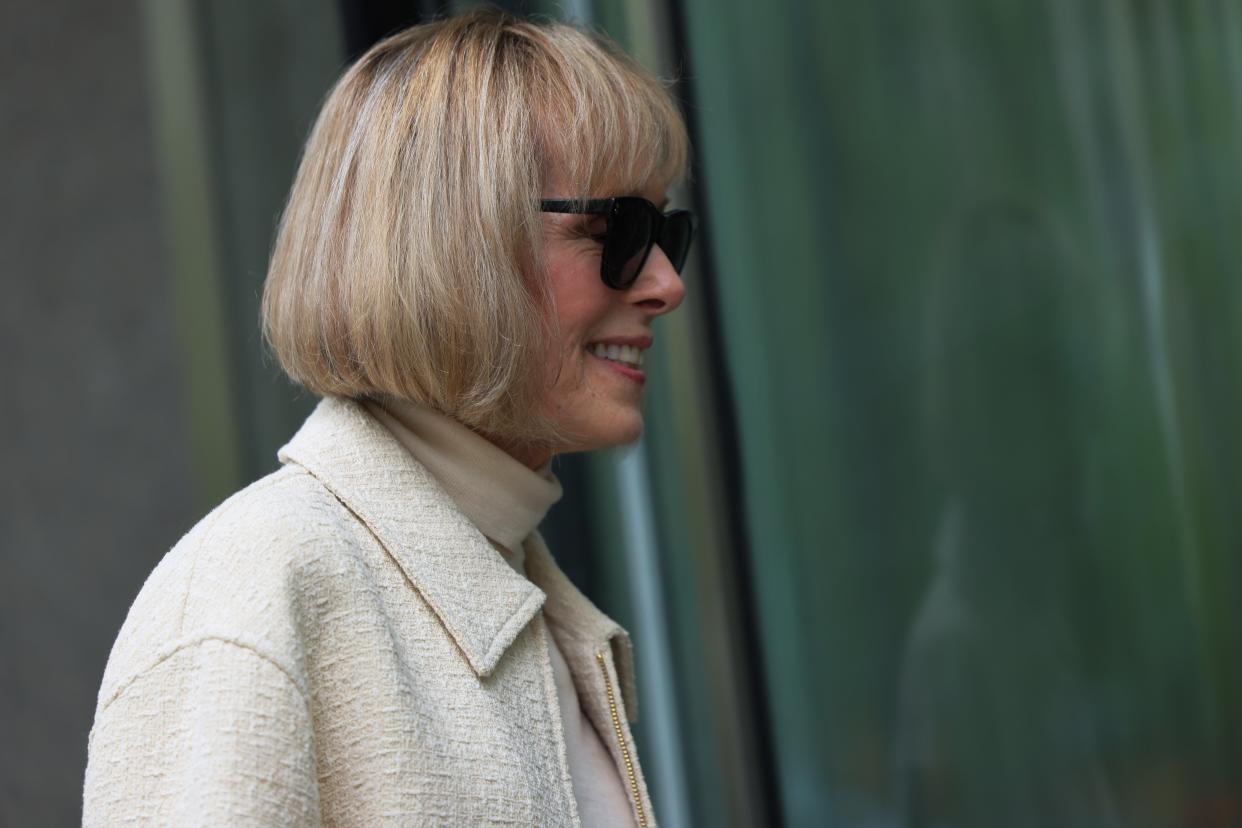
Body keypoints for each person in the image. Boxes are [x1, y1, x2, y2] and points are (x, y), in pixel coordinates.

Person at [82, 10, 693, 826]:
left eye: (667, 233)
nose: (664, 283)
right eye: (617, 231)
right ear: (452, 244)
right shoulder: (257, 592)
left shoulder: (517, 588)